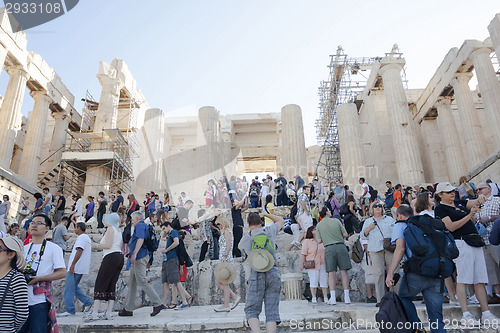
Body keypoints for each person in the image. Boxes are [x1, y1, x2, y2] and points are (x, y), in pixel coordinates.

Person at [434, 182, 498, 325]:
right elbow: (450, 227)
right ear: (440, 195)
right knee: (463, 279)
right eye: (448, 191)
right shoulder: (440, 209)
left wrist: (481, 199)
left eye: (452, 190)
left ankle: (486, 313)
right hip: (461, 243)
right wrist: (470, 215)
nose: (452, 193)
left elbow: (473, 202)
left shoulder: (458, 203)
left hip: (474, 241)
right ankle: (466, 314)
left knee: (479, 279)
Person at [386, 204, 446, 333]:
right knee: (437, 319)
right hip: (436, 271)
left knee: (403, 297)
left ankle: (417, 327)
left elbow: (400, 248)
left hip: (415, 272)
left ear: (399, 215)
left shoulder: (400, 225)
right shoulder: (423, 224)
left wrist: (390, 273)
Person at [238, 211, 284, 333]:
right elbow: (281, 221)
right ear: (261, 222)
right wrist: (267, 214)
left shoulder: (247, 238)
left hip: (256, 274)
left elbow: (239, 247)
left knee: (251, 310)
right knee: (272, 311)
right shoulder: (270, 231)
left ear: (248, 224)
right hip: (273, 272)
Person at [20, 214, 66, 333]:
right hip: (21, 301)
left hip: (39, 301)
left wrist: (40, 278)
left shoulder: (54, 248)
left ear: (47, 228)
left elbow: (62, 272)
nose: (34, 225)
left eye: (39, 223)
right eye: (32, 223)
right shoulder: (23, 249)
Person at [119, 211, 163, 317]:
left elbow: (140, 239)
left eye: (132, 219)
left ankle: (157, 303)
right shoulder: (142, 225)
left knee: (142, 281)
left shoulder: (139, 225)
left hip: (140, 257)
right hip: (139, 256)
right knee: (132, 283)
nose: (131, 221)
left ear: (137, 218)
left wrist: (134, 254)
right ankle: (128, 308)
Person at [86, 213, 124, 320]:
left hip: (110, 256)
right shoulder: (118, 230)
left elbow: (107, 245)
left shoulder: (110, 229)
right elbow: (119, 246)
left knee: (101, 282)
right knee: (112, 283)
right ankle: (109, 312)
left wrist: (94, 245)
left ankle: (95, 312)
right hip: (119, 256)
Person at [360, 201, 396, 304]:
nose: (377, 208)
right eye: (375, 206)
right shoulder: (368, 221)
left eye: (379, 206)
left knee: (393, 272)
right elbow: (363, 236)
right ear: (372, 209)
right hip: (375, 249)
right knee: (379, 274)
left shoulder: (390, 220)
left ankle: (395, 297)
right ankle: (381, 299)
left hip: (389, 248)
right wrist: (369, 229)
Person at [315, 207, 350, 305]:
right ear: (326, 212)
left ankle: (333, 297)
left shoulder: (319, 225)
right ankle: (347, 297)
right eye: (329, 211)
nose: (330, 212)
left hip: (329, 248)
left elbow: (318, 241)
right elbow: (345, 234)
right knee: (344, 272)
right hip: (340, 246)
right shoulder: (336, 221)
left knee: (331, 273)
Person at [473, 183, 500, 304]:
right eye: (476, 190)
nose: (478, 191)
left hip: (496, 238)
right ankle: (498, 294)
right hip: (483, 240)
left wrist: (489, 217)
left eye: (480, 188)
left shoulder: (497, 200)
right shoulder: (477, 204)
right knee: (491, 270)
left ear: (489, 189)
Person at [59, 222, 93, 317]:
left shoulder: (82, 237)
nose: (75, 229)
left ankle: (70, 310)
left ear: (78, 228)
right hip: (80, 267)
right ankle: (87, 302)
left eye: (75, 227)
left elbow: (79, 250)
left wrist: (72, 265)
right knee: (73, 287)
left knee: (68, 288)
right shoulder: (86, 238)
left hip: (76, 267)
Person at [160, 222, 193, 310]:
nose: (163, 231)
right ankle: (164, 303)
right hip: (167, 260)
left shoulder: (174, 232)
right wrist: (164, 231)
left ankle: (184, 301)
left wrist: (166, 250)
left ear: (169, 226)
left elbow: (176, 242)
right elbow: (162, 237)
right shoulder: (169, 234)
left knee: (176, 281)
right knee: (167, 282)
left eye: (164, 228)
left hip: (172, 259)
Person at [0, 236, 28, 332]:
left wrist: (10, 328)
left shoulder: (16, 278)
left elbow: (22, 313)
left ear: (11, 254)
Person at [214, 214, 240, 312]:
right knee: (220, 282)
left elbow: (229, 246)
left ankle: (226, 305)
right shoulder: (224, 232)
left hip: (226, 259)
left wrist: (225, 257)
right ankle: (234, 297)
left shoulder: (227, 232)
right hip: (223, 259)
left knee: (224, 283)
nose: (218, 226)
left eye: (219, 224)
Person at [301, 226, 328, 304]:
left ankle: (325, 297)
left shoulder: (322, 240)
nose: (316, 230)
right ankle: (314, 297)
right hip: (312, 263)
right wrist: (302, 264)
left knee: (324, 280)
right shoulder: (307, 241)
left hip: (323, 263)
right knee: (313, 280)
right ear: (311, 231)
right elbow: (303, 254)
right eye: (314, 229)